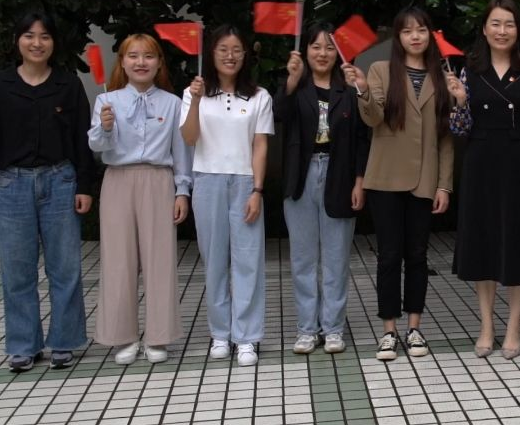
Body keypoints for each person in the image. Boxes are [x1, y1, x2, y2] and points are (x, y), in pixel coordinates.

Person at [0, 11, 94, 372]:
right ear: (18, 40)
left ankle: (64, 340)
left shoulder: (68, 84)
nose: (37, 43)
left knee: (65, 268)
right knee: (17, 270)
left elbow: (82, 137)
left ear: (54, 42)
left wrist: (84, 186)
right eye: (29, 35)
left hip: (60, 181)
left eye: (45, 36)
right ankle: (23, 344)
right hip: (13, 184)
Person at [344, 7, 454, 361]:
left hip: (425, 178)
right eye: (407, 31)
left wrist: (444, 185)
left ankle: (414, 327)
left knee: (418, 255)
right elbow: (373, 118)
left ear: (430, 34)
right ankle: (389, 330)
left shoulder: (442, 76)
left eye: (421, 30)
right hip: (386, 177)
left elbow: (446, 137)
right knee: (389, 255)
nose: (415, 37)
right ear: (398, 37)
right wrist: (363, 90)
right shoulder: (380, 70)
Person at [444, 0, 520, 360]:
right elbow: (460, 129)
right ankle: (487, 325)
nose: (502, 31)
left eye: (509, 24)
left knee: (517, 243)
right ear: (484, 29)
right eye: (495, 23)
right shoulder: (469, 70)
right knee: (483, 243)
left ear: (518, 30)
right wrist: (459, 102)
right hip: (481, 162)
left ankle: (514, 326)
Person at [88, 34, 191, 365]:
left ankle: (158, 336)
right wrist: (105, 128)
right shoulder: (108, 100)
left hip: (159, 180)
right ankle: (124, 336)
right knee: (118, 260)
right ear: (122, 62)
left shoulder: (173, 103)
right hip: (118, 180)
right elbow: (97, 146)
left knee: (160, 259)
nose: (141, 62)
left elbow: (181, 151)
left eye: (148, 56)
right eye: (133, 56)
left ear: (159, 63)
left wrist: (182, 190)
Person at [180, 24, 274, 367]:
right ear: (212, 54)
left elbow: (260, 145)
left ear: (245, 55)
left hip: (245, 183)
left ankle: (246, 336)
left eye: (236, 49)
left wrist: (258, 190)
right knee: (215, 260)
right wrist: (195, 100)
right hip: (207, 181)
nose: (230, 56)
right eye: (223, 49)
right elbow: (189, 138)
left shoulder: (260, 96)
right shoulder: (194, 93)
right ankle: (220, 333)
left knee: (248, 261)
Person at [275, 23, 369, 355]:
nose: (323, 53)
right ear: (305, 51)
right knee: (302, 259)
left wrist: (360, 181)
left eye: (329, 47)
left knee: (336, 259)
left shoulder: (348, 89)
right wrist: (290, 80)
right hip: (301, 178)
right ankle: (306, 329)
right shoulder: (296, 87)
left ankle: (333, 328)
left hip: (339, 174)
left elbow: (362, 138)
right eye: (315, 46)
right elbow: (278, 114)